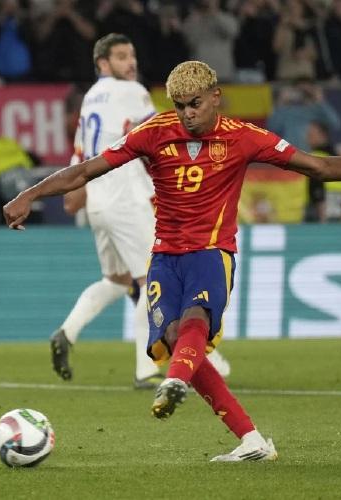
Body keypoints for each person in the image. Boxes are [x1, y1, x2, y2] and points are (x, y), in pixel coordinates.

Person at [3, 60, 341, 461]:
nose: (187, 114)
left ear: (215, 97)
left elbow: (318, 167)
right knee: (172, 339)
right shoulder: (154, 132)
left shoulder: (244, 137)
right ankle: (251, 441)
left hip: (211, 251)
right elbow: (85, 171)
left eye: (195, 104)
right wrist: (29, 194)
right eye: (180, 105)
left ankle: (175, 381)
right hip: (164, 256)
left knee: (195, 320)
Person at [47, 33, 230, 389]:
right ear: (103, 64)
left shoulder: (89, 98)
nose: (130, 62)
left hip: (97, 202)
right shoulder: (131, 91)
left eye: (131, 55)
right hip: (125, 197)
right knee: (155, 280)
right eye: (120, 57)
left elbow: (81, 153)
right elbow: (167, 131)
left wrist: (75, 189)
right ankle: (147, 369)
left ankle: (66, 332)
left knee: (116, 281)